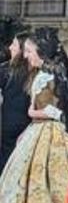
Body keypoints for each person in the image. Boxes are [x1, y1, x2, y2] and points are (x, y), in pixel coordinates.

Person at [0, 28, 68, 203]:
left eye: (29, 51)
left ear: (41, 53)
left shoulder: (46, 76)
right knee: (52, 189)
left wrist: (34, 113)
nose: (25, 56)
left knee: (38, 189)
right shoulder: (50, 74)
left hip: (47, 133)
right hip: (44, 133)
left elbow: (53, 110)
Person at [0, 32, 32, 171]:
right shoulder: (35, 71)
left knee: (6, 162)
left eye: (14, 45)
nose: (10, 48)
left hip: (8, 124)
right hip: (29, 124)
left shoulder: (5, 70)